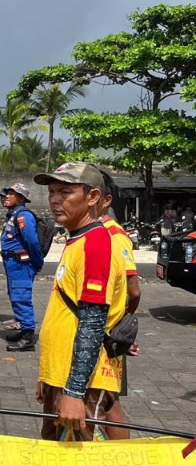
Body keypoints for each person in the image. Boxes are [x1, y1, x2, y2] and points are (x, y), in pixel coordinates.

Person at [33, 162, 127, 441]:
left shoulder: (96, 243)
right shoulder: (78, 239)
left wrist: (74, 392)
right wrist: (47, 376)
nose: (54, 199)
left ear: (93, 197)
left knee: (78, 455)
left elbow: (93, 323)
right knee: (53, 454)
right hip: (60, 374)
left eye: (65, 192)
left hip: (81, 383)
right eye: (51, 192)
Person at [96, 170, 140, 440]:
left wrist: (119, 326)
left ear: (103, 199)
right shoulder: (91, 233)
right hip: (97, 330)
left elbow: (133, 290)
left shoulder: (114, 235)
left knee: (108, 402)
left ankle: (119, 455)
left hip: (105, 332)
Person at [0, 183, 45, 352]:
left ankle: (28, 338)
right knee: (15, 295)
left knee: (21, 297)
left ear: (21, 198)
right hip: (12, 264)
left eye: (11, 194)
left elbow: (32, 241)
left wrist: (37, 263)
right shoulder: (13, 214)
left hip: (21, 264)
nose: (6, 197)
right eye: (6, 194)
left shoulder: (23, 215)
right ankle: (24, 329)